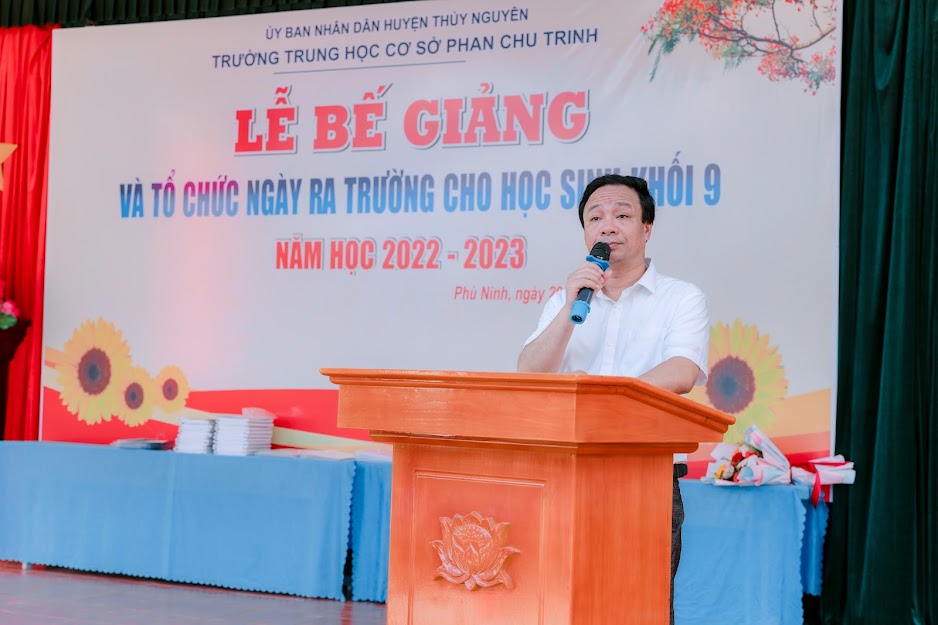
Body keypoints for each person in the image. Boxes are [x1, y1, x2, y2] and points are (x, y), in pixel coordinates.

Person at [517, 173, 709, 625]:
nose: (607, 226)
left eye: (622, 215)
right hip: (564, 474)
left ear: (646, 228)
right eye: (595, 218)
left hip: (645, 476)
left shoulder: (681, 298)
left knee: (639, 605)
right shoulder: (564, 300)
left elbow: (682, 371)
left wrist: (605, 398)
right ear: (585, 232)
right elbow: (529, 372)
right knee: (559, 600)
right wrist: (570, 307)